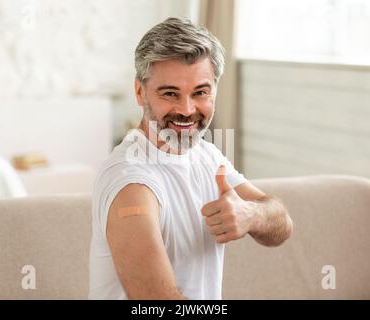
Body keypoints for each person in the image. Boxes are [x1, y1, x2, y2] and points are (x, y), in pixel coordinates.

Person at [89, 17, 293, 300]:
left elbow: (282, 225)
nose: (186, 110)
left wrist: (251, 215)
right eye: (170, 93)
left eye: (200, 92)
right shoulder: (131, 184)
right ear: (140, 92)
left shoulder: (206, 155)